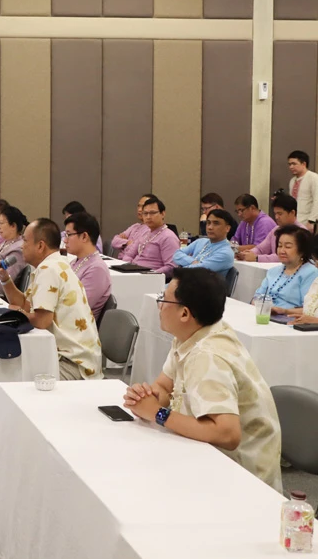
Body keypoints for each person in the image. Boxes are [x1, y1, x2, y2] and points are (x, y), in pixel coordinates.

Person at [123, 268, 282, 492]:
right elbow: (164, 386)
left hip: (241, 478)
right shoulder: (192, 334)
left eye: (164, 299)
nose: (159, 305)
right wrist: (150, 397)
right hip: (204, 453)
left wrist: (158, 413)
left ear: (185, 314)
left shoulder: (208, 355)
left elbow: (227, 434)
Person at [0, 218, 103, 380]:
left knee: (9, 374)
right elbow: (25, 304)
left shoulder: (49, 269)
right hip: (69, 356)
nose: (21, 245)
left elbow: (41, 321)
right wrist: (5, 279)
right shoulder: (52, 264)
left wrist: (14, 313)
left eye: (25, 240)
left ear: (40, 246)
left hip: (74, 364)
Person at [250, 226, 318, 315]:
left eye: (288, 246)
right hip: (266, 315)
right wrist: (260, 305)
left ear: (302, 250)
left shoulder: (311, 273)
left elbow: (310, 309)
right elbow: (256, 297)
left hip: (291, 320)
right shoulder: (273, 271)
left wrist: (285, 311)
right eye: (279, 246)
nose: (282, 251)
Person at [64, 212, 113, 320]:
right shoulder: (75, 261)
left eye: (69, 235)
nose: (65, 240)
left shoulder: (97, 269)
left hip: (77, 330)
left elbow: (77, 308)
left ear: (84, 236)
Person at [238, 193, 308, 263]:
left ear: (292, 213)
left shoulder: (302, 232)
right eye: (275, 214)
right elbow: (261, 249)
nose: (276, 217)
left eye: (280, 214)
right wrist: (246, 254)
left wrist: (257, 258)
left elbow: (285, 256)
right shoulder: (275, 230)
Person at [120, 196, 179, 274]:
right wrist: (127, 268)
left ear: (162, 214)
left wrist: (150, 274)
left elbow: (171, 267)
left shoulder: (168, 237)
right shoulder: (145, 233)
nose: (148, 217)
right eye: (145, 213)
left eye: (152, 213)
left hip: (151, 278)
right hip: (134, 273)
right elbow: (129, 255)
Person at [172, 209, 235, 277]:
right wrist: (192, 262)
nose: (210, 227)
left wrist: (183, 264)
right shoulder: (200, 241)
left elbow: (198, 270)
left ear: (227, 228)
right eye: (208, 223)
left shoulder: (226, 253)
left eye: (216, 223)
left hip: (201, 286)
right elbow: (176, 254)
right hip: (185, 281)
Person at [287, 150, 318, 230]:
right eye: (289, 164)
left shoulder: (313, 178)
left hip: (307, 221)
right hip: (294, 221)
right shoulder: (292, 180)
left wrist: (311, 221)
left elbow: (317, 200)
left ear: (304, 164)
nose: (291, 167)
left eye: (294, 164)